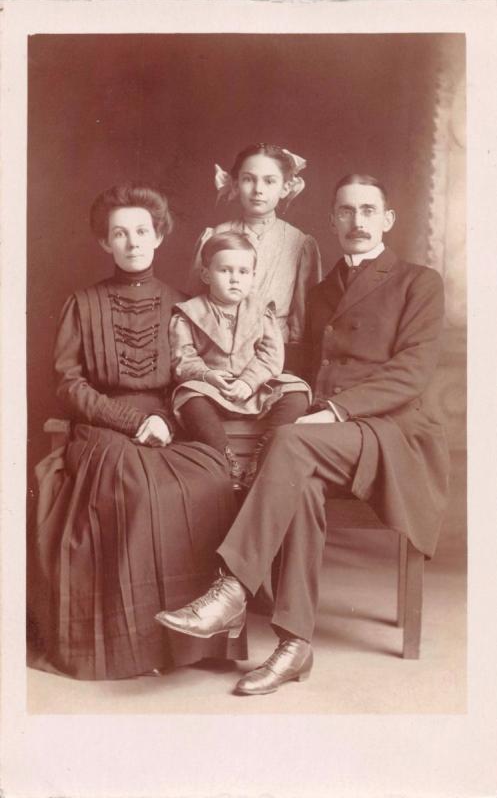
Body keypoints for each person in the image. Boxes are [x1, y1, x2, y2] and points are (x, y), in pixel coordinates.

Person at [156, 174, 450, 696]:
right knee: (301, 482)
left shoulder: (418, 281)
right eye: (345, 211)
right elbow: (305, 367)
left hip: (392, 434)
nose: (356, 222)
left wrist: (334, 410)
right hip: (330, 434)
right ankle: (295, 646)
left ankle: (231, 588)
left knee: (289, 441)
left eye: (367, 210)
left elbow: (413, 373)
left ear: (387, 220)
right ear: (332, 219)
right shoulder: (321, 291)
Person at [27, 183, 247, 681]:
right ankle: (135, 645)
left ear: (160, 236)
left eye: (142, 231)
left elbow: (192, 375)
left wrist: (171, 420)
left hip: (167, 423)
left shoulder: (181, 306)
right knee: (138, 488)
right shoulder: (81, 304)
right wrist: (130, 421)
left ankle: (194, 642)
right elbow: (68, 384)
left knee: (208, 478)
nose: (132, 242)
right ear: (105, 243)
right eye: (120, 234)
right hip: (102, 426)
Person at [170, 231, 311, 488]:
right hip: (213, 389)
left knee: (297, 392)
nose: (235, 279)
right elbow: (183, 358)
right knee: (189, 397)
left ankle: (263, 453)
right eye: (225, 270)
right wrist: (207, 376)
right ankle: (225, 458)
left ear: (253, 277)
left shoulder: (261, 311)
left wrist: (248, 381)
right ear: (206, 274)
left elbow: (270, 355)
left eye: (244, 272)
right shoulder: (188, 313)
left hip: (255, 387)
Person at [187, 142, 322, 359]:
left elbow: (301, 317)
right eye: (249, 179)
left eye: (269, 181)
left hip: (276, 354)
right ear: (236, 184)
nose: (258, 190)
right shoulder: (214, 236)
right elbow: (195, 306)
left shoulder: (300, 243)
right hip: (218, 352)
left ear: (285, 187)